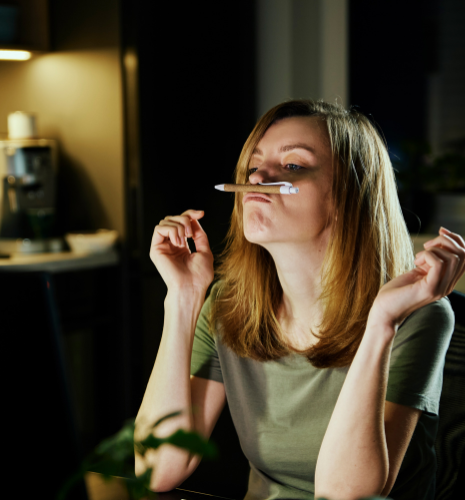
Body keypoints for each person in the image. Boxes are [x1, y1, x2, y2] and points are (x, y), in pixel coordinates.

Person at [134, 100, 465, 500]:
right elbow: (155, 469)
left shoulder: (416, 317)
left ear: (349, 195)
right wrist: (183, 299)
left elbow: (343, 495)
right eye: (253, 167)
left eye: (292, 165)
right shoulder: (227, 307)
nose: (258, 178)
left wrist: (381, 324)